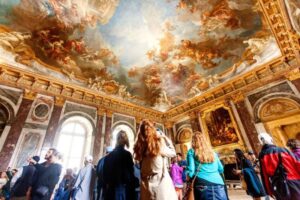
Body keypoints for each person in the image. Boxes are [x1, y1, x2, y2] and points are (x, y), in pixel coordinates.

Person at [133, 119, 177, 200]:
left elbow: (139, 164)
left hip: (146, 186)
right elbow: (173, 153)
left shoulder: (140, 147)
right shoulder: (158, 144)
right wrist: (164, 137)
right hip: (161, 185)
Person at [258, 132, 300, 200]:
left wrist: (268, 191)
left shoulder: (262, 155)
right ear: (271, 140)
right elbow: (298, 164)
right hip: (295, 182)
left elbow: (264, 175)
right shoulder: (284, 150)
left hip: (279, 185)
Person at [186, 132, 227, 200]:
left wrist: (187, 178)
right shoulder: (212, 152)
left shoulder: (191, 151)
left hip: (202, 183)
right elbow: (221, 169)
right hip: (218, 183)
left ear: (193, 141)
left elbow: (191, 171)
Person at [103, 130, 136, 200]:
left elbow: (105, 176)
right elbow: (131, 174)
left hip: (111, 191)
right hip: (124, 190)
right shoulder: (127, 155)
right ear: (126, 142)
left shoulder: (109, 156)